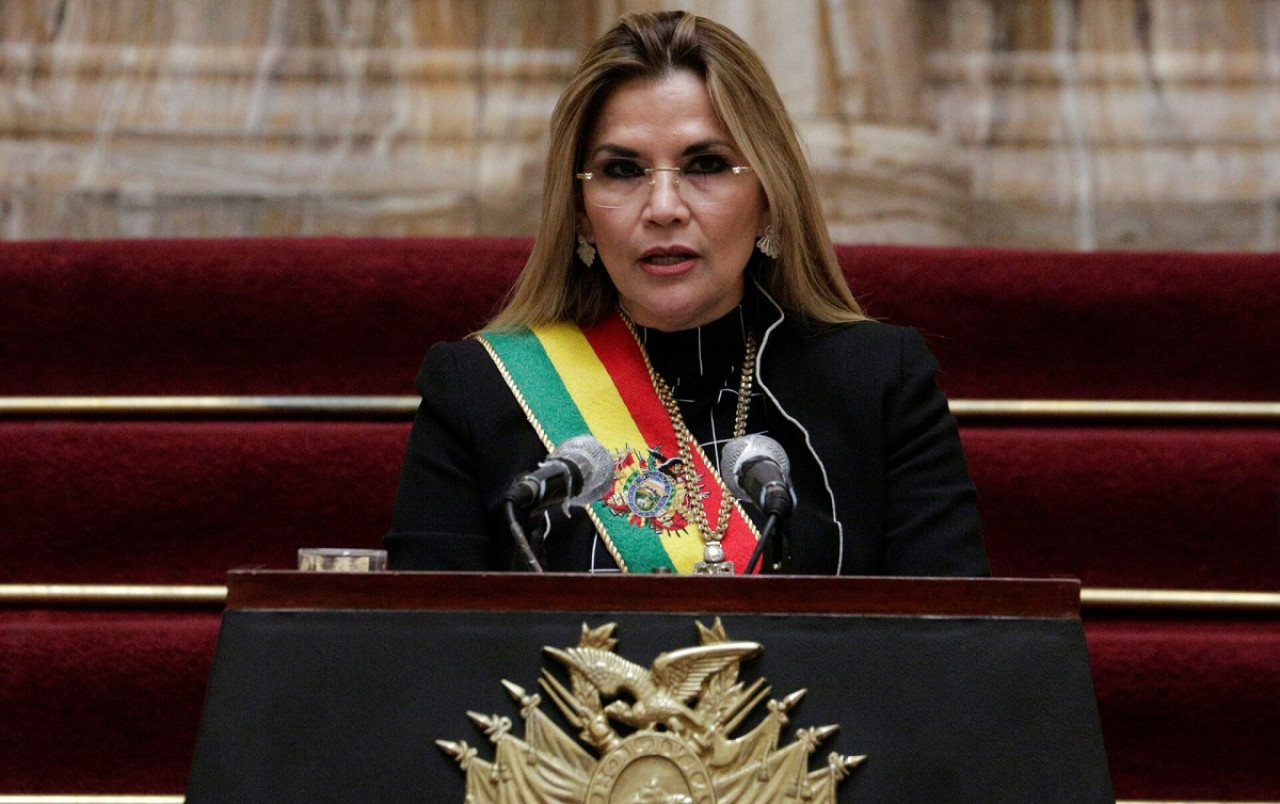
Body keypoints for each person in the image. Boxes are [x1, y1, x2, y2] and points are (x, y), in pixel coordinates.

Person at [385, 10, 988, 577]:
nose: (664, 208)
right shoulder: (482, 391)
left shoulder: (879, 384)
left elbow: (951, 649)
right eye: (623, 170)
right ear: (580, 213)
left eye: (705, 165)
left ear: (770, 197)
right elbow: (425, 654)